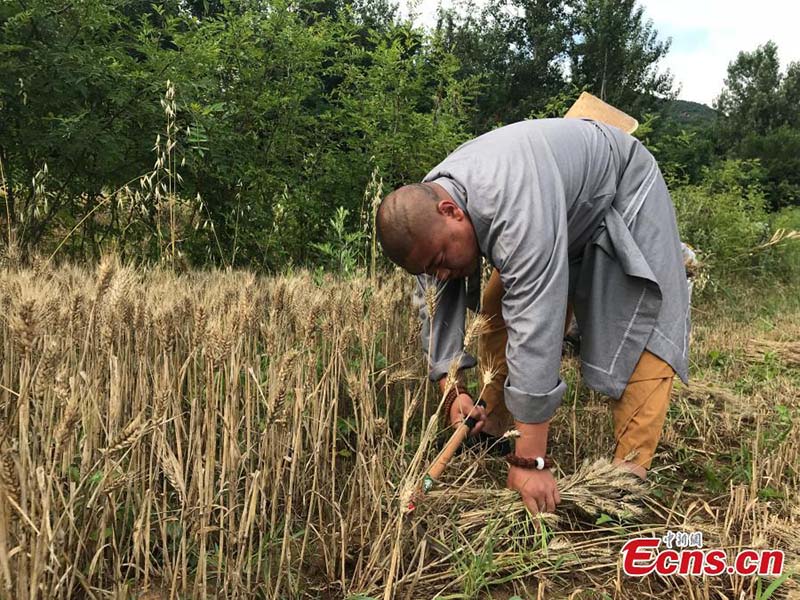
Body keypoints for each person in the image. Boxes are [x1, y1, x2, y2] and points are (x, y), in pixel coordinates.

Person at [376, 117, 690, 516]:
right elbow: (435, 304)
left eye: (440, 260)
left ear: (451, 210)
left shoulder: (512, 205)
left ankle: (625, 480)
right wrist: (452, 390)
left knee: (641, 325)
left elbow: (537, 320)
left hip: (621, 191)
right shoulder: (426, 215)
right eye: (428, 269)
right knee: (495, 309)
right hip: (555, 207)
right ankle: (492, 424)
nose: (439, 273)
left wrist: (531, 461)